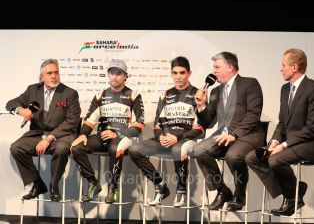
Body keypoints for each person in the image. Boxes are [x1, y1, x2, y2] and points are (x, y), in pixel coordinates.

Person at [246, 48, 314, 216]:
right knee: (252, 157)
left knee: (275, 160)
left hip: (311, 145)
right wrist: (274, 142)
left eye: (283, 65)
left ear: (295, 66)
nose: (281, 69)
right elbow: (283, 123)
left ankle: (292, 197)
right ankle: (294, 192)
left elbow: (312, 128)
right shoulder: (285, 89)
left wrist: (283, 145)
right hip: (289, 144)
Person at [128, 56, 204, 207]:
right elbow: (157, 123)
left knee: (178, 148)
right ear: (171, 73)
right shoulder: (165, 94)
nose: (178, 77)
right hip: (165, 138)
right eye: (175, 73)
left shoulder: (197, 94)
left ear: (189, 73)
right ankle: (161, 186)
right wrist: (161, 136)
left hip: (186, 139)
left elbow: (201, 128)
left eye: (182, 73)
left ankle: (181, 190)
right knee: (134, 150)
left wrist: (178, 138)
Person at [194, 51, 265, 211]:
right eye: (214, 67)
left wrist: (234, 134)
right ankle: (222, 191)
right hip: (223, 135)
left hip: (248, 135)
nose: (214, 71)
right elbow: (208, 121)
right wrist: (201, 106)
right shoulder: (216, 91)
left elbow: (254, 114)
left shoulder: (250, 84)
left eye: (217, 67)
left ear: (230, 67)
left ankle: (239, 196)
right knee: (198, 150)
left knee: (233, 156)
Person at [6, 58, 81, 202]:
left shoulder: (69, 93)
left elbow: (72, 122)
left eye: (56, 72)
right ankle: (37, 184)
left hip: (61, 135)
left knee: (60, 149)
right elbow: (10, 103)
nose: (54, 76)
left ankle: (54, 186)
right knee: (16, 148)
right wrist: (20, 110)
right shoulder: (33, 90)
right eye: (50, 73)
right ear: (42, 77)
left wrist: (49, 138)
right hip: (37, 133)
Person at [71, 59, 145, 203]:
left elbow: (139, 126)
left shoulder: (133, 95)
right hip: (102, 136)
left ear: (126, 76)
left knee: (114, 147)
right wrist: (82, 135)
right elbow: (90, 120)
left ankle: (113, 187)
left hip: (124, 137)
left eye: (119, 73)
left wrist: (117, 133)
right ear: (108, 75)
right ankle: (93, 183)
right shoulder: (101, 95)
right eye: (112, 73)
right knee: (76, 147)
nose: (114, 77)